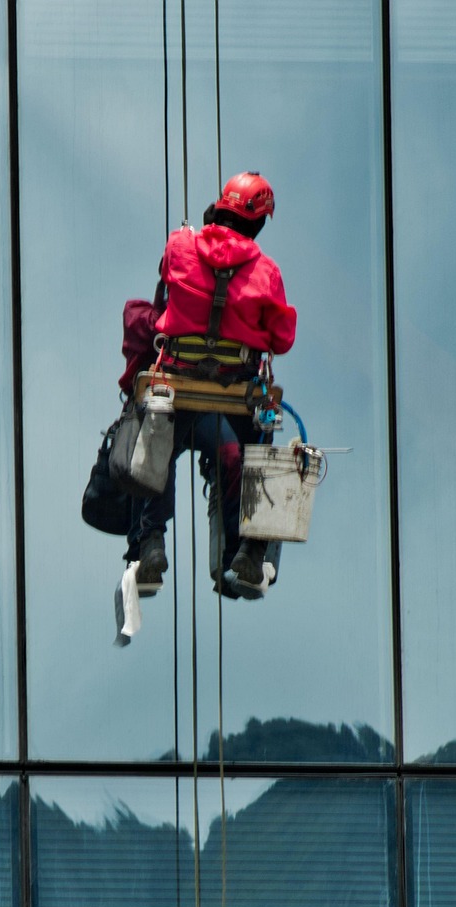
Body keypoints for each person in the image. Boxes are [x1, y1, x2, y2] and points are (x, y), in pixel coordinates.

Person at [119, 171, 297, 599]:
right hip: (236, 391)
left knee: (155, 447)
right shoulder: (267, 271)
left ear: (219, 208)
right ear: (258, 223)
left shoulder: (180, 245)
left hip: (178, 381)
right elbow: (282, 340)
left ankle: (151, 544)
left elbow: (166, 283)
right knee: (260, 452)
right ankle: (250, 552)